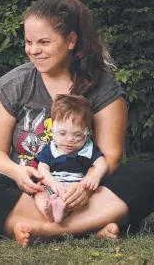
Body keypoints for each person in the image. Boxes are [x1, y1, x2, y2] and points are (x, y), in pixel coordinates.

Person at [0, 0, 154, 247]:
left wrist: (85, 189)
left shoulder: (102, 86)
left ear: (70, 41)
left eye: (44, 42)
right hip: (31, 193)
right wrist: (17, 172)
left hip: (87, 192)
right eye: (28, 42)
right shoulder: (13, 85)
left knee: (148, 176)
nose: (34, 50)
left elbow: (110, 156)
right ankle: (95, 224)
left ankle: (44, 231)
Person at [33, 94, 108, 224]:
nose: (69, 140)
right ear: (53, 131)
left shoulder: (88, 149)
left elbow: (102, 164)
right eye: (63, 133)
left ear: (87, 133)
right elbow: (42, 169)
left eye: (77, 135)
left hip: (77, 188)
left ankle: (61, 209)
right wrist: (53, 183)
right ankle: (48, 211)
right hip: (54, 187)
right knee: (39, 194)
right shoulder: (50, 149)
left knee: (97, 197)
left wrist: (95, 176)